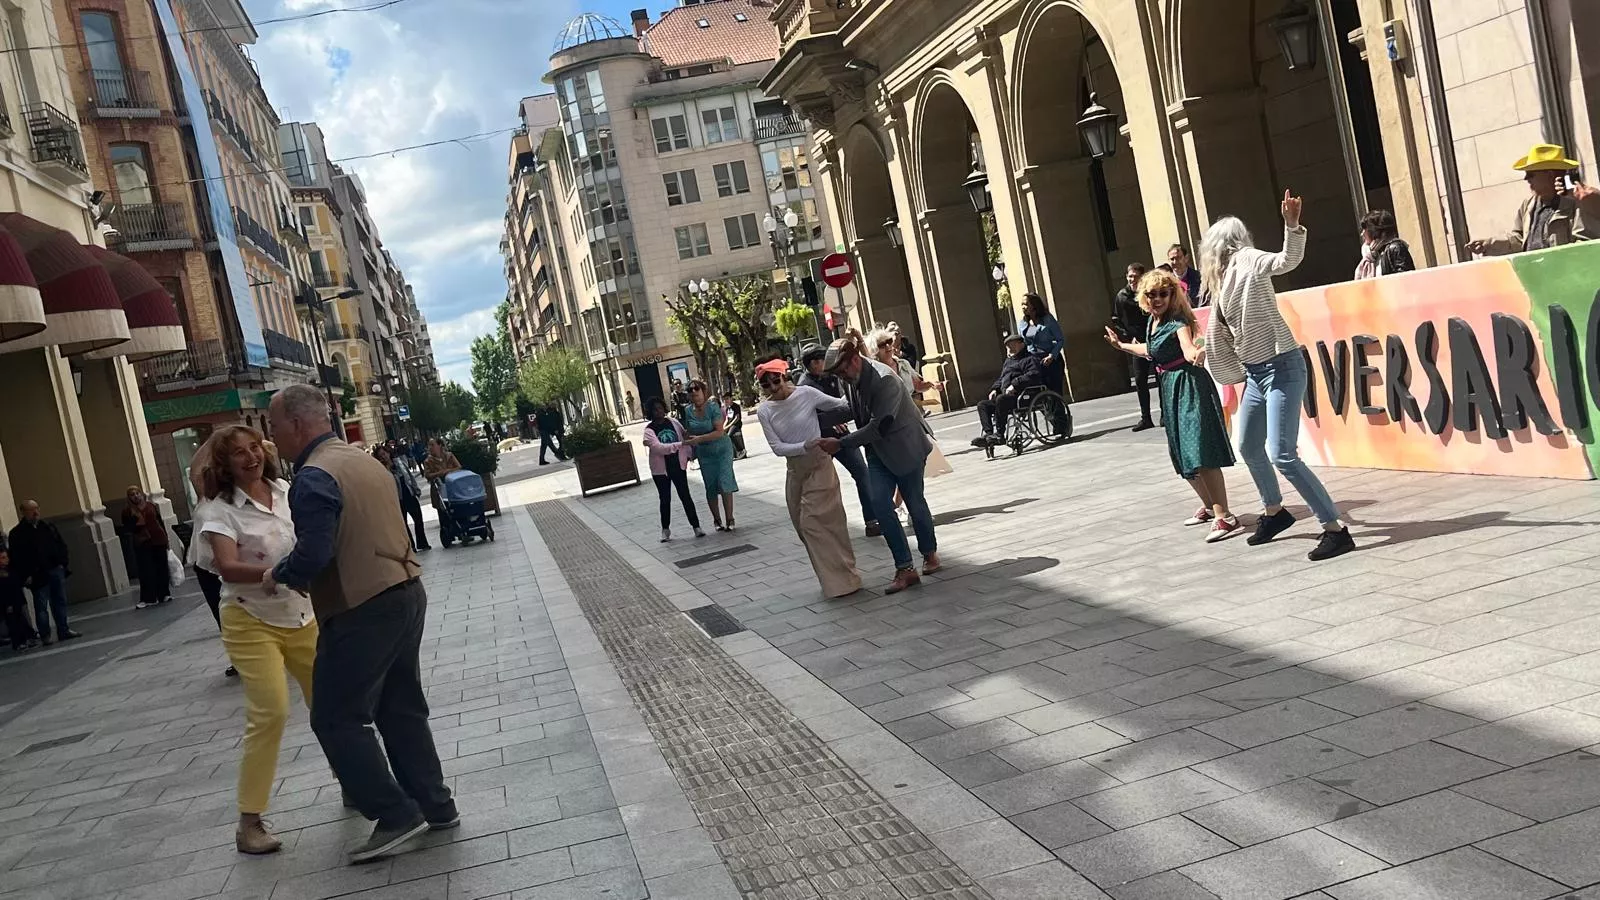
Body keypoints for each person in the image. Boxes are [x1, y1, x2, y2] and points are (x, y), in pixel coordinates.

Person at [265, 384, 455, 865]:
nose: (272, 437)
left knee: (335, 717)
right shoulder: (364, 461)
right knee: (400, 707)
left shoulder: (312, 477)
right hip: (406, 589)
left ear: (296, 425)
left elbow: (315, 553)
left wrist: (279, 574)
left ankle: (393, 814)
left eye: (274, 427)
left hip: (360, 606)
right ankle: (436, 805)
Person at [1202, 190, 1355, 561]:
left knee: (1282, 453)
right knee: (1249, 446)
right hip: (1256, 374)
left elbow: (1286, 261)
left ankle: (1335, 529)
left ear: (1221, 245)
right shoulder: (1223, 282)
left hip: (1282, 366)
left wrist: (1291, 226)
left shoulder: (1248, 259)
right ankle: (1275, 511)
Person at [197, 425, 319, 855]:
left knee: (333, 704)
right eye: (237, 454)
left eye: (254, 449)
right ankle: (249, 824)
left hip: (301, 614)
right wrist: (278, 573)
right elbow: (227, 568)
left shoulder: (285, 490)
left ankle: (359, 786)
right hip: (250, 617)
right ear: (224, 464)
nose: (250, 458)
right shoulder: (218, 509)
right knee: (270, 713)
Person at [1104, 269, 1241, 542]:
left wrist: (1199, 353)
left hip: (1189, 386)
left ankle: (1224, 515)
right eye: (1151, 295)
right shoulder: (1154, 322)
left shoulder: (1178, 321)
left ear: (1172, 294)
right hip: (1170, 388)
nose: (1157, 299)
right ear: (1143, 298)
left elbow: (1189, 348)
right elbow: (1149, 351)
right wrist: (1121, 347)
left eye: (1163, 294)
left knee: (1199, 449)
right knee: (1181, 452)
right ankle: (1208, 505)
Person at [817, 330, 939, 594]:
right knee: (880, 504)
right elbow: (851, 407)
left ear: (854, 360)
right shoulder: (849, 379)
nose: (841, 378)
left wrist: (841, 443)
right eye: (837, 374)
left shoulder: (885, 379)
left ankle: (929, 554)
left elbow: (878, 426)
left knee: (915, 503)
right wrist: (813, 417)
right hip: (878, 453)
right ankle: (905, 568)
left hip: (905, 448)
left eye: (842, 371)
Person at [754, 358, 862, 598]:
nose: (773, 388)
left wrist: (860, 383)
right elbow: (777, 447)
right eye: (766, 385)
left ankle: (844, 580)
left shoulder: (806, 394)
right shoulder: (765, 410)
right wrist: (804, 445)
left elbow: (841, 405)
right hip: (795, 471)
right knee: (802, 527)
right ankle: (835, 578)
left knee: (815, 522)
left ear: (784, 376)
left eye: (776, 380)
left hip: (819, 465)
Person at [799, 345, 879, 537]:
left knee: (861, 472)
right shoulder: (805, 386)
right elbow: (806, 416)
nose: (824, 364)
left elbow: (844, 401)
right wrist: (831, 423)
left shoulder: (833, 376)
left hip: (841, 436)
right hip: (818, 439)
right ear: (812, 364)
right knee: (818, 483)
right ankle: (819, 526)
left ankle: (872, 520)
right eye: (820, 361)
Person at [1468, 144, 1600, 255]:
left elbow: (1586, 244)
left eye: (1530, 174)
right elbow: (1519, 240)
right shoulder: (1528, 205)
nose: (1526, 179)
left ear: (1549, 174)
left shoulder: (1577, 203)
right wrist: (1488, 244)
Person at [188, 432, 237, 678]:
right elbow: (194, 470)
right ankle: (237, 657)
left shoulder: (232, 501)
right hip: (205, 565)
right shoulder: (204, 499)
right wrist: (214, 439)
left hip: (228, 564)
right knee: (221, 613)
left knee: (238, 608)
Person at [7, 500, 76, 643]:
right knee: (41, 606)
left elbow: (60, 544)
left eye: (37, 508)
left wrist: (63, 563)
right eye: (31, 510)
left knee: (60, 601)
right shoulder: (17, 533)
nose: (36, 512)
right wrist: (26, 575)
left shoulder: (47, 527)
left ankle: (63, 629)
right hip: (37, 574)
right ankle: (45, 634)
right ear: (23, 512)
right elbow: (17, 557)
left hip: (55, 569)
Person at [642, 397, 705, 542]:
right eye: (655, 409)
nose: (659, 411)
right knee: (665, 499)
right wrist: (679, 444)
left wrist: (689, 449)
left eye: (660, 408)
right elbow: (658, 448)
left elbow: (685, 435)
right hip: (661, 470)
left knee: (685, 496)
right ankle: (665, 529)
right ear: (651, 412)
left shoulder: (673, 422)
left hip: (677, 465)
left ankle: (696, 526)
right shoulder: (649, 430)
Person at [683, 381, 738, 530]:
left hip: (721, 449)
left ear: (703, 391)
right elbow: (687, 431)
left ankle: (730, 518)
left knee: (724, 480)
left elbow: (719, 431)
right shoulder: (687, 411)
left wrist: (699, 439)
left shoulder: (713, 407)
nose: (694, 393)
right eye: (690, 391)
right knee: (711, 484)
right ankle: (717, 520)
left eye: (697, 389)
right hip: (704, 453)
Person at [972, 335, 1045, 446]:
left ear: (1022, 344)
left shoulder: (1030, 359)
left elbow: (1033, 375)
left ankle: (1000, 435)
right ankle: (989, 434)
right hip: (1007, 397)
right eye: (1008, 346)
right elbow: (1002, 378)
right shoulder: (1008, 361)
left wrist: (1015, 385)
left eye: (1013, 345)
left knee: (1001, 399)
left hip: (1024, 396)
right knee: (983, 405)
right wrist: (995, 388)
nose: (1010, 348)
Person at [1113, 263, 1157, 431]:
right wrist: (1128, 338)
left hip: (1153, 340)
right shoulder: (1122, 296)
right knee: (1140, 380)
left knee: (1161, 378)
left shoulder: (1149, 293)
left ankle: (1164, 414)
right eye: (1130, 276)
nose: (1132, 280)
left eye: (1136, 277)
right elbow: (1116, 319)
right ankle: (1146, 417)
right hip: (1136, 342)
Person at [121, 486, 171, 609]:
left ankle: (164, 594)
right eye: (132, 494)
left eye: (137, 493)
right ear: (129, 497)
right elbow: (129, 528)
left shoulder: (150, 506)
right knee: (146, 571)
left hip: (158, 539)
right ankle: (149, 598)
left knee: (161, 568)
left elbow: (159, 522)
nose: (136, 496)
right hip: (142, 542)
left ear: (142, 494)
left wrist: (166, 539)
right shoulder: (127, 512)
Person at [375, 445, 431, 552]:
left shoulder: (399, 463)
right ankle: (410, 546)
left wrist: (416, 489)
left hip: (409, 494)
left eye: (384, 454)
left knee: (418, 519)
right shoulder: (382, 469)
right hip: (397, 500)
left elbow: (409, 476)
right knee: (403, 524)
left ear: (389, 453)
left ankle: (422, 543)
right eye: (380, 456)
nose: (384, 457)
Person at [1017, 293, 1066, 395]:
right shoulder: (1023, 323)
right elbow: (1022, 343)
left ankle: (1059, 410)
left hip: (1051, 360)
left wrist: (1052, 356)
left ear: (1034, 306)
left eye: (1026, 304)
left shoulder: (1047, 319)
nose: (1023, 307)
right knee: (1040, 394)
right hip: (1034, 363)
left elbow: (1060, 339)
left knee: (1055, 392)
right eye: (1022, 304)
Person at [1354, 209, 1416, 279]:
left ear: (1374, 231)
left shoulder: (1395, 248)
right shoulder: (1370, 254)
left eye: (1365, 229)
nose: (1362, 234)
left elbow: (1406, 279)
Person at [421, 437, 461, 542]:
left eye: (432, 445)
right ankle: (448, 533)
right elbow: (427, 474)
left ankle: (460, 529)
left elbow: (459, 467)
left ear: (439, 445)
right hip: (439, 489)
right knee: (443, 511)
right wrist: (440, 473)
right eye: (429, 445)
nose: (430, 448)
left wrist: (448, 471)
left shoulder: (449, 456)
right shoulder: (428, 461)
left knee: (456, 508)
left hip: (453, 487)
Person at [1, 547, 39, 651]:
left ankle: (26, 638)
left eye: (6, 557)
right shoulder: (3, 575)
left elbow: (16, 585)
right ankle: (18, 642)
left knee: (21, 619)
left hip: (17, 600)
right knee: (13, 623)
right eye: (3, 558)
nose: (6, 560)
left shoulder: (11, 571)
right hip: (8, 603)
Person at [722, 393, 746, 459]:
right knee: (723, 436)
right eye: (724, 399)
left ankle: (741, 450)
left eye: (727, 399)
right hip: (730, 424)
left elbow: (737, 418)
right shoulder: (727, 408)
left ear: (731, 398)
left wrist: (729, 425)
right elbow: (727, 419)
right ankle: (730, 453)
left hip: (736, 424)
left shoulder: (736, 406)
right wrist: (723, 427)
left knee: (729, 435)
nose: (726, 401)